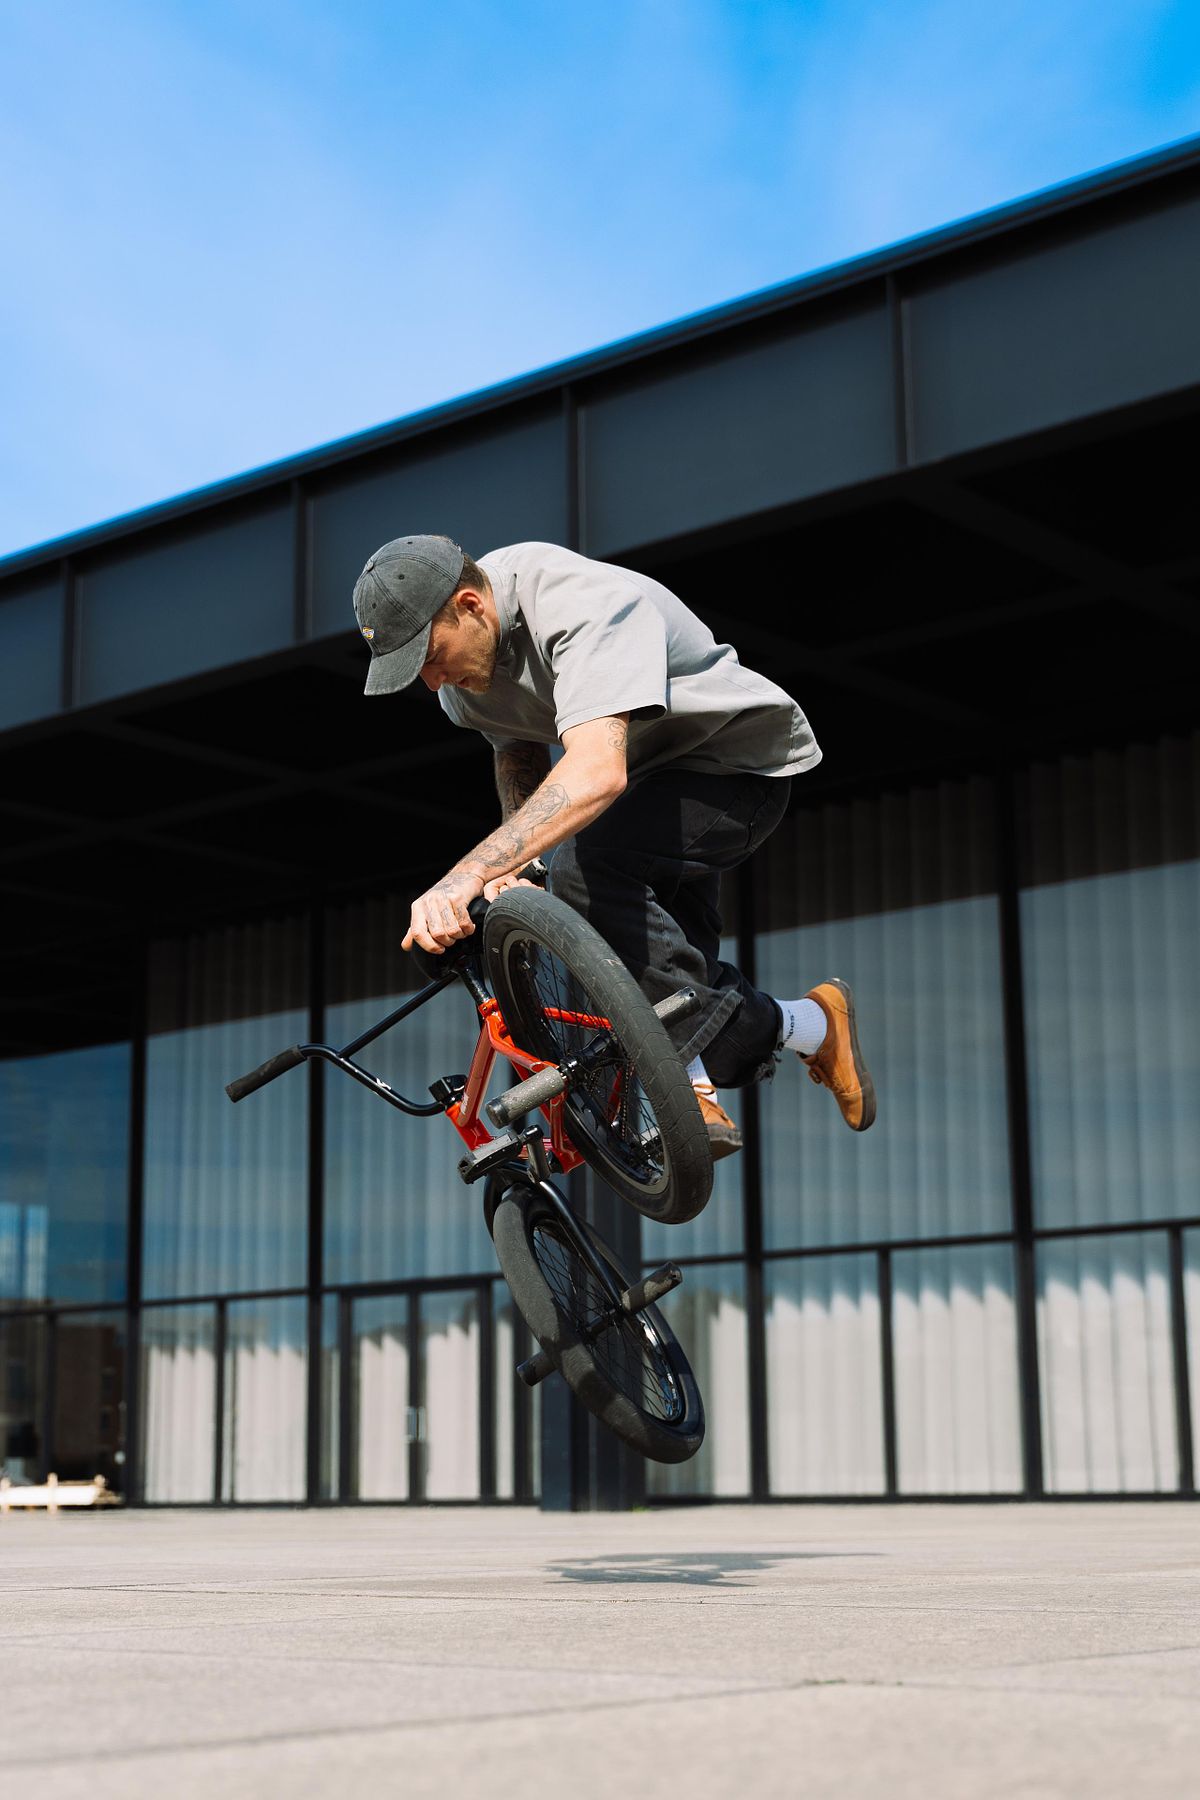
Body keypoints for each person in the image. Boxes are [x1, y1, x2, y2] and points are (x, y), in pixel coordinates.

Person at [352, 533, 875, 1158]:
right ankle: (815, 1026)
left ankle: (689, 1092)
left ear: (470, 605)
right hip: (648, 790)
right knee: (679, 988)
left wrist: (468, 873)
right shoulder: (463, 679)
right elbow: (516, 749)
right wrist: (522, 862)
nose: (433, 680)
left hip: (735, 766)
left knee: (592, 865)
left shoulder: (581, 605)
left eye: (430, 656)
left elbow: (598, 773)